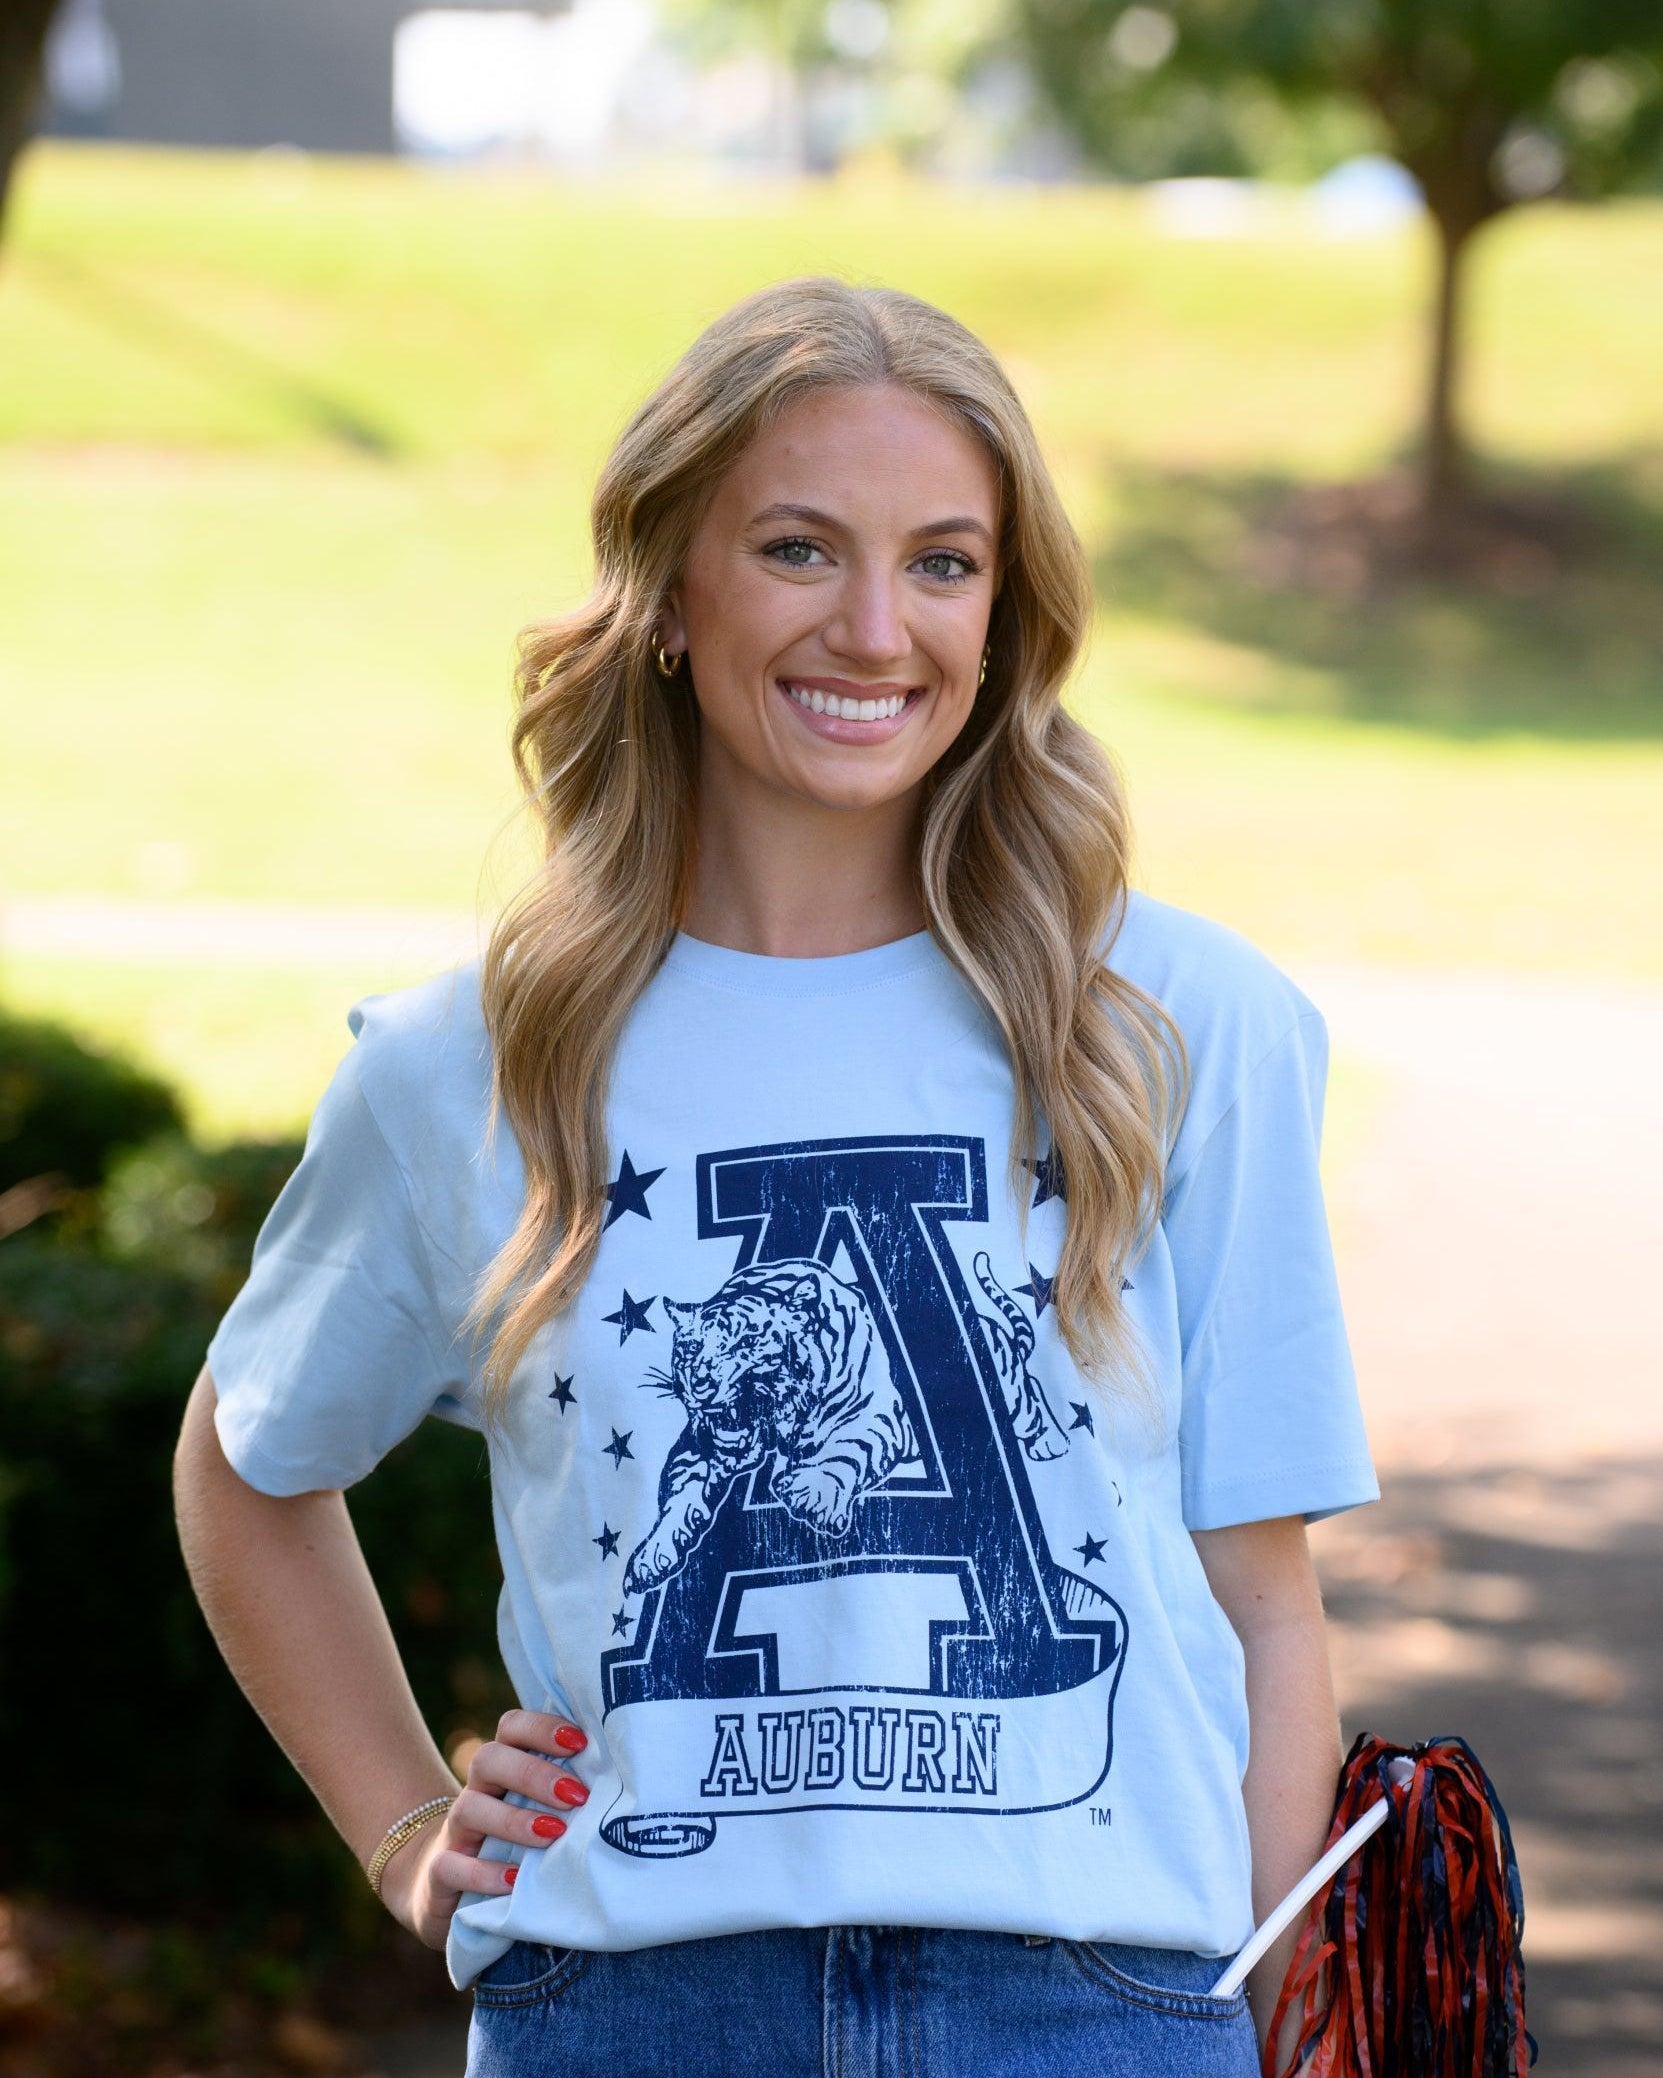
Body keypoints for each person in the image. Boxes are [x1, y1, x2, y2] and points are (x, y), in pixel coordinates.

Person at [173, 275, 1380, 2078]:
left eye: (945, 563)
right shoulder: (468, 1062)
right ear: (672, 591)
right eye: (800, 549)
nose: (877, 630)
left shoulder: (1184, 1024)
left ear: (1008, 612)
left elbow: (1265, 1607)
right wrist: (408, 1828)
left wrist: (1291, 2031)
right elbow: (246, 1463)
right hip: (634, 2010)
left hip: (1097, 2014)